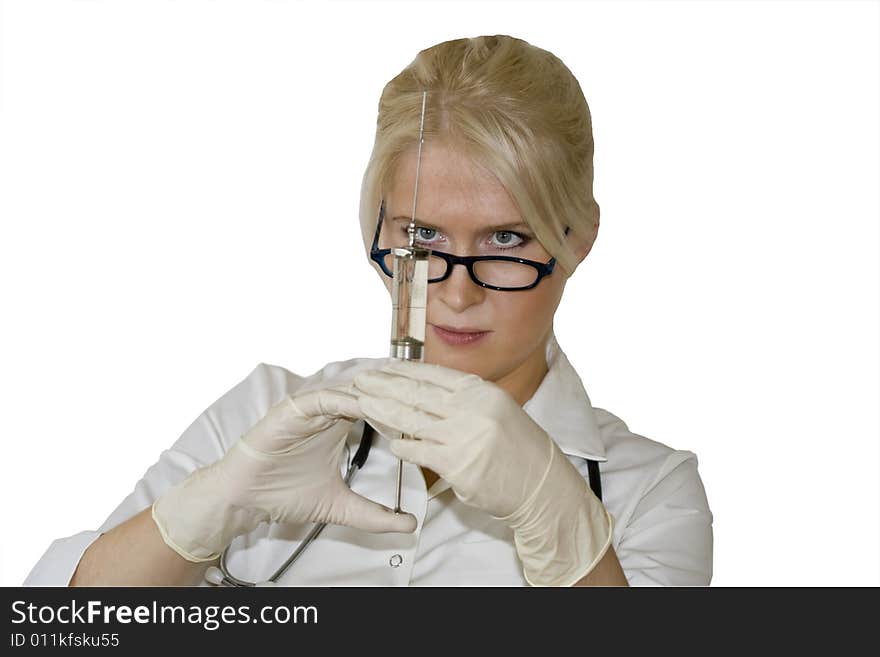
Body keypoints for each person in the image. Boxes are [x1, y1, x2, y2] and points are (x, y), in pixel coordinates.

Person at [25, 35, 712, 587]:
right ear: (379, 230)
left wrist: (560, 522)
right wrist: (207, 509)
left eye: (506, 239)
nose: (457, 290)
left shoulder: (650, 493)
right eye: (421, 237)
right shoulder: (270, 417)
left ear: (578, 238)